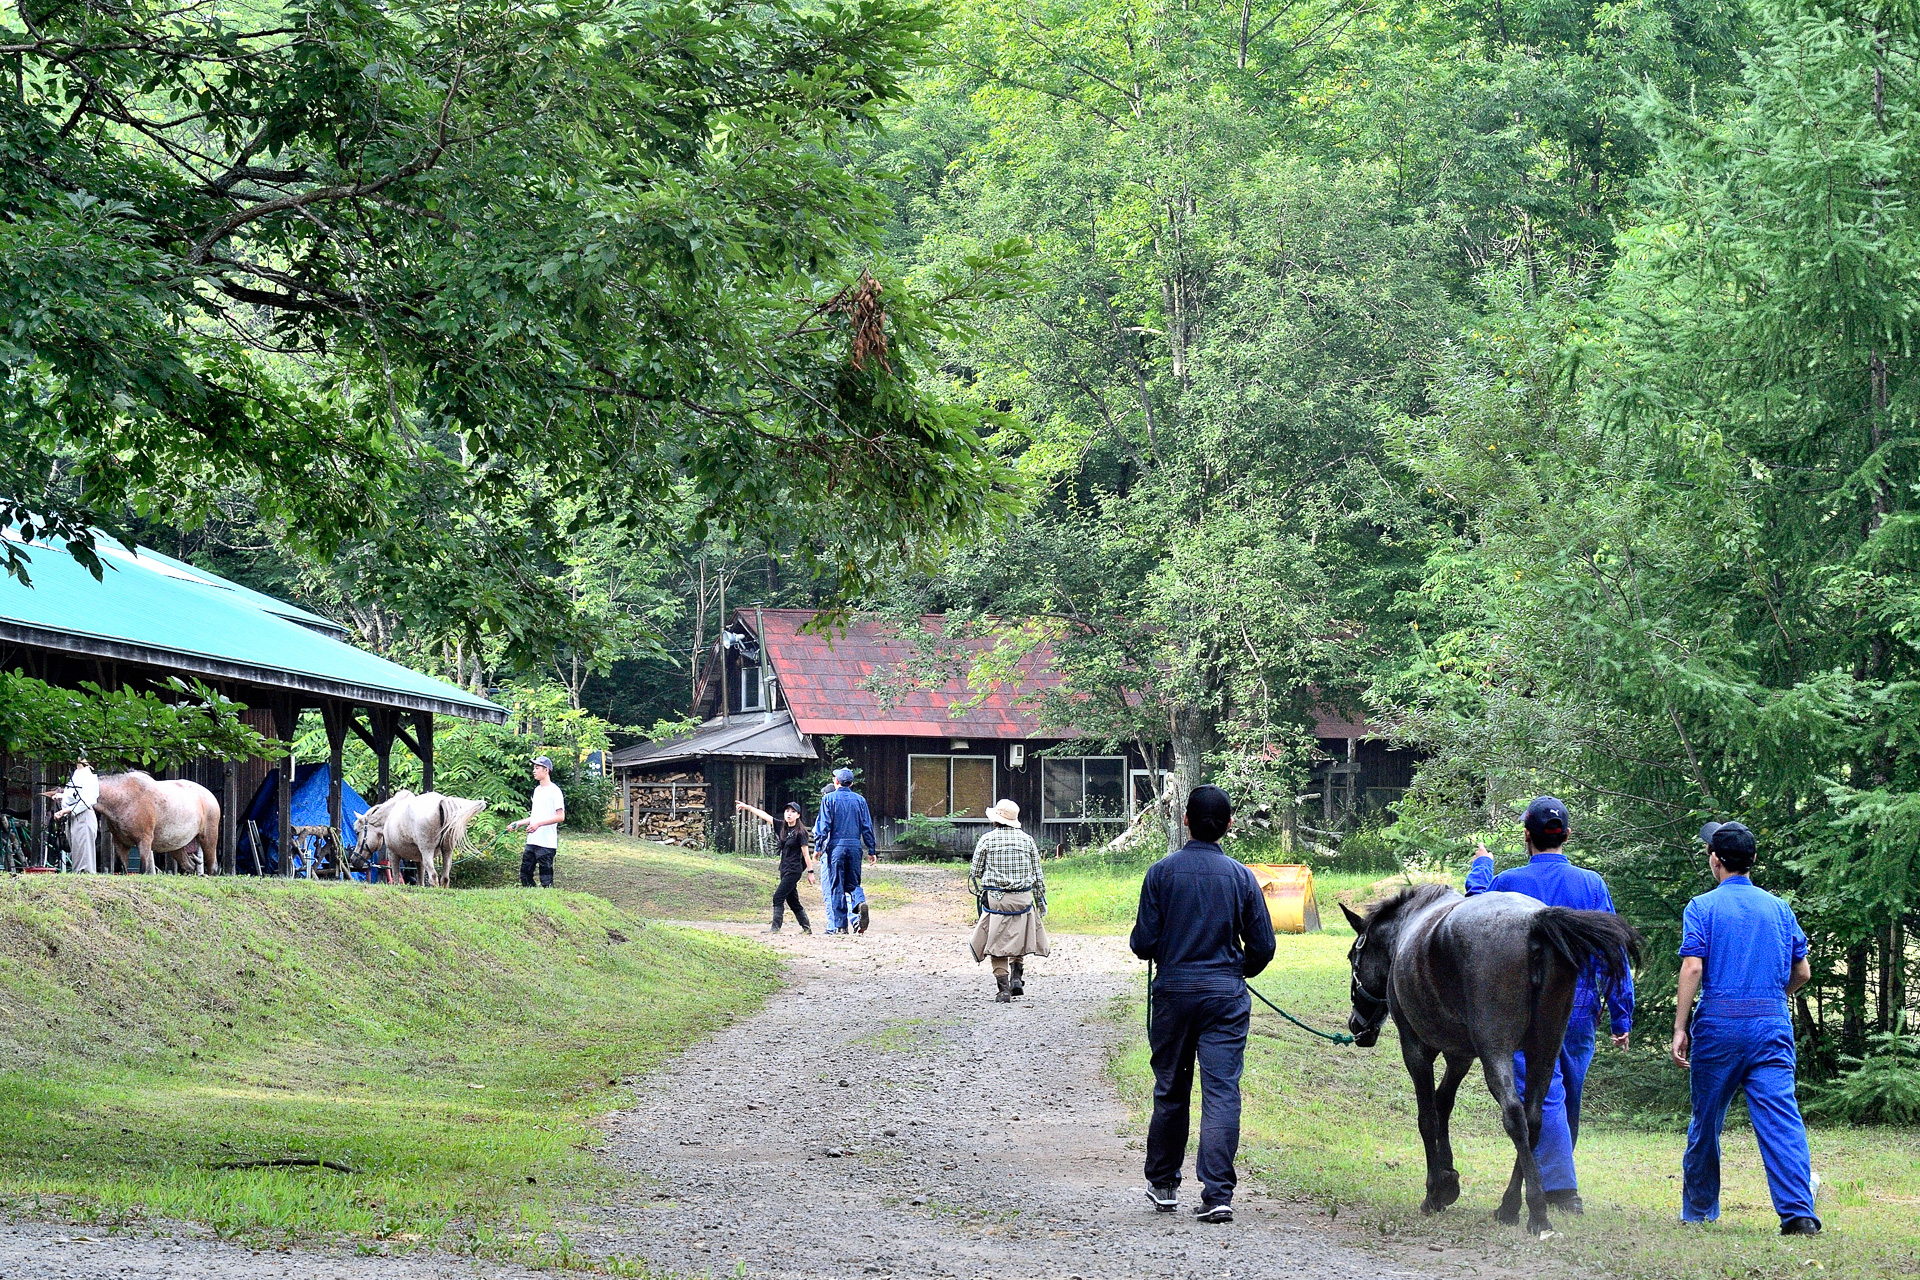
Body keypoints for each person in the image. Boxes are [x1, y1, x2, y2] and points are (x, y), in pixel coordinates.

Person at [1465, 796, 1633, 1212]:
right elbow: (1613, 953)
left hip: (1526, 1008)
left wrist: (1482, 865)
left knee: (1549, 1096)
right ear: (1567, 836)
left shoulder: (1507, 882)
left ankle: (1561, 1191)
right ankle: (1558, 1180)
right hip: (1580, 1008)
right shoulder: (1592, 884)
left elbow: (1474, 908)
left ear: (1527, 836)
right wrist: (1620, 1013)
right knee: (1566, 1095)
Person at [1129, 785, 1276, 1224]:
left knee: (1171, 1088)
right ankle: (1217, 1194)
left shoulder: (1161, 873)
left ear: (1185, 820)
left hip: (1173, 993)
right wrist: (1237, 971)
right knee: (1221, 1092)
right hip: (1225, 997)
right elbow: (1263, 946)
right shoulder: (1242, 877)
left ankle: (1164, 1184)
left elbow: (1143, 944)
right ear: (1229, 826)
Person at [1672, 820, 1820, 1235]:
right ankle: (1798, 1214)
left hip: (1719, 1025)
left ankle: (1699, 1210)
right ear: (1753, 861)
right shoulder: (1779, 909)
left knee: (1706, 1120)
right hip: (1771, 1025)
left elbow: (1693, 966)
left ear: (1714, 860)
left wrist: (1681, 1027)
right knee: (1781, 1117)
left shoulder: (1701, 907)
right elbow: (1803, 972)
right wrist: (1774, 997)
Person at [968, 799, 1049, 1001]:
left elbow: (975, 872)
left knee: (996, 941)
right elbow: (1038, 876)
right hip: (1022, 899)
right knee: (1017, 937)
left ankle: (1003, 989)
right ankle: (1016, 977)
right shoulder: (1027, 840)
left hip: (997, 901)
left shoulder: (987, 840)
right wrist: (1040, 903)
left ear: (995, 820)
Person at [812, 768, 876, 934]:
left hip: (836, 847)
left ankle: (841, 926)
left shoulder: (829, 799)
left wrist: (818, 847)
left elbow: (824, 826)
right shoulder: (860, 800)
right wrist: (871, 849)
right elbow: (867, 826)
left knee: (836, 886)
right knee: (853, 883)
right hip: (855, 846)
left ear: (836, 782)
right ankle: (860, 902)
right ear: (852, 783)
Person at [738, 799, 814, 934]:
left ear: (798, 815)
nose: (789, 814)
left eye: (793, 812)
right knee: (792, 900)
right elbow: (765, 816)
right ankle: (807, 928)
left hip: (794, 870)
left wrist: (810, 872)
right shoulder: (781, 826)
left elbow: (806, 855)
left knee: (778, 897)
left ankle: (775, 928)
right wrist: (748, 808)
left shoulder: (801, 832)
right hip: (784, 869)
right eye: (787, 811)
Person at [508, 756, 566, 888]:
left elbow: (560, 816)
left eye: (537, 768)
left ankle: (548, 902)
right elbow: (535, 816)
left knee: (546, 880)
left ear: (546, 770)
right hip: (532, 841)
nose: (534, 771)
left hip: (546, 843)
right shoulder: (537, 790)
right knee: (525, 874)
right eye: (534, 768)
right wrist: (518, 823)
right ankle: (531, 899)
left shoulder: (555, 791)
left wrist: (538, 824)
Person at [49, 754, 100, 874]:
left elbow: (86, 800)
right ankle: (79, 876)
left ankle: (85, 878)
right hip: (74, 817)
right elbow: (75, 795)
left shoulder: (88, 776)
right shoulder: (77, 774)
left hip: (83, 816)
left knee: (84, 853)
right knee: (77, 849)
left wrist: (63, 811)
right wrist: (62, 796)